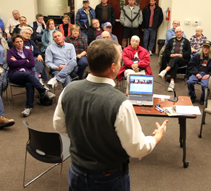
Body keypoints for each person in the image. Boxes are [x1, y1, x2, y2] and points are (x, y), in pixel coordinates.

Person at [53, 38, 168, 190]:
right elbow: (137, 149)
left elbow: (59, 126)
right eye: (120, 61)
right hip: (109, 178)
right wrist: (157, 137)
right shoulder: (120, 103)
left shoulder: (68, 90)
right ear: (113, 67)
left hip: (76, 171)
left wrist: (84, 136)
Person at [7, 35, 55, 117]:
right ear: (13, 43)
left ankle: (28, 108)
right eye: (17, 42)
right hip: (15, 74)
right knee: (29, 75)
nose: (19, 43)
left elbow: (32, 63)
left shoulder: (28, 51)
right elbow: (11, 63)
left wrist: (18, 61)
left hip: (27, 75)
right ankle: (43, 90)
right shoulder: (10, 52)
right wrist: (25, 60)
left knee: (29, 83)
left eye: (21, 41)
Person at [158, 27, 191, 92]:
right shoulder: (171, 41)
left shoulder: (186, 41)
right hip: (172, 59)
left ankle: (165, 71)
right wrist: (170, 55)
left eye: (180, 32)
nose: (178, 33)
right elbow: (166, 50)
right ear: (175, 33)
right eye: (177, 32)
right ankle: (172, 83)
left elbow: (188, 52)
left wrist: (180, 55)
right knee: (175, 63)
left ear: (182, 33)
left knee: (176, 58)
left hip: (182, 60)